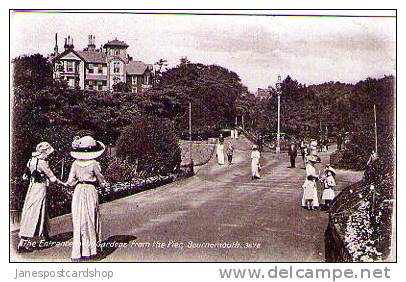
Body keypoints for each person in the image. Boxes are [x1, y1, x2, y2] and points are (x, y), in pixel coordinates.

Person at [64, 136, 107, 260]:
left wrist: (67, 184)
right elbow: (101, 179)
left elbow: (70, 181)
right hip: (90, 190)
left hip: (78, 191)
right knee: (91, 218)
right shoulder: (94, 163)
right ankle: (91, 250)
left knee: (79, 220)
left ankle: (79, 251)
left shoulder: (75, 163)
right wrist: (104, 186)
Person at [18, 142, 63, 252]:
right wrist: (64, 183)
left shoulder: (31, 160)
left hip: (31, 188)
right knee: (36, 211)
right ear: (45, 152)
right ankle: (24, 242)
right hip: (40, 188)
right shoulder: (42, 163)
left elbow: (25, 176)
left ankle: (44, 236)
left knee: (39, 210)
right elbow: (52, 178)